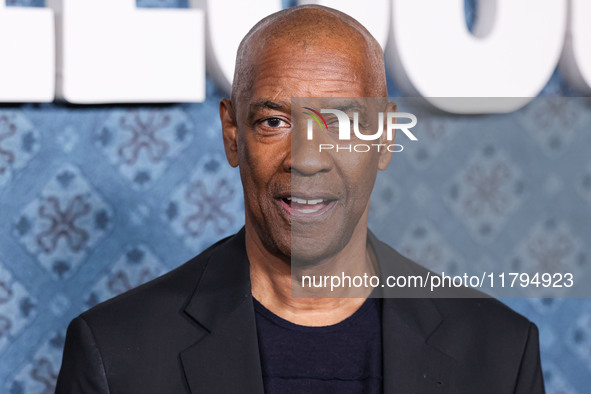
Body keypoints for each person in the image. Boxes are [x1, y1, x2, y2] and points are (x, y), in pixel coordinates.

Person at [55, 5, 544, 393]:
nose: (307, 159)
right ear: (232, 134)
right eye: (275, 122)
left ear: (386, 137)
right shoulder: (116, 352)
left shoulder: (499, 351)